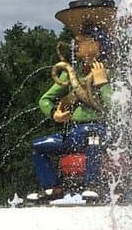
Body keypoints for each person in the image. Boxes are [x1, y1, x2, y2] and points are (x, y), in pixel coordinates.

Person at [33, 30, 112, 191]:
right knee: (38, 146)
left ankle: (93, 186)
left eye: (82, 41)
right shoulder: (71, 72)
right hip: (76, 133)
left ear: (97, 45)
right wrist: (54, 113)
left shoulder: (110, 72)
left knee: (93, 141)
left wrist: (103, 83)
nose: (75, 44)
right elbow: (44, 99)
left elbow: (116, 108)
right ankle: (51, 187)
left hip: (102, 131)